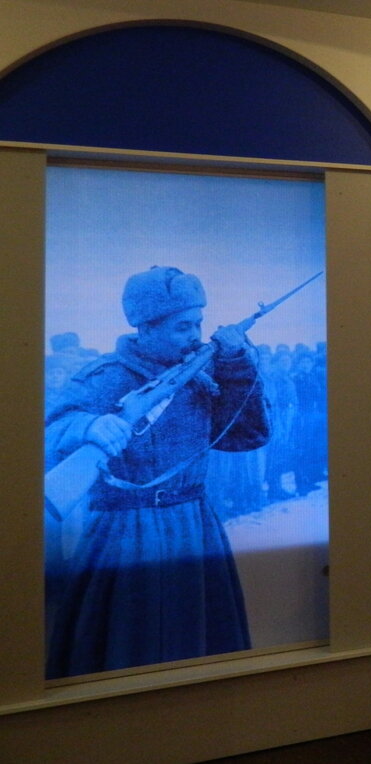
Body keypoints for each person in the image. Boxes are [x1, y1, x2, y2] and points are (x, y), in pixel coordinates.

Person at [43, 266, 269, 678]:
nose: (195, 335)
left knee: (201, 644)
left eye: (198, 323)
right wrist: (88, 426)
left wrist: (237, 365)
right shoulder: (104, 377)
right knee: (124, 645)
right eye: (183, 326)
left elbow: (247, 436)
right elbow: (47, 431)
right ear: (146, 328)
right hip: (125, 531)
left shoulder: (203, 375)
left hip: (194, 523)